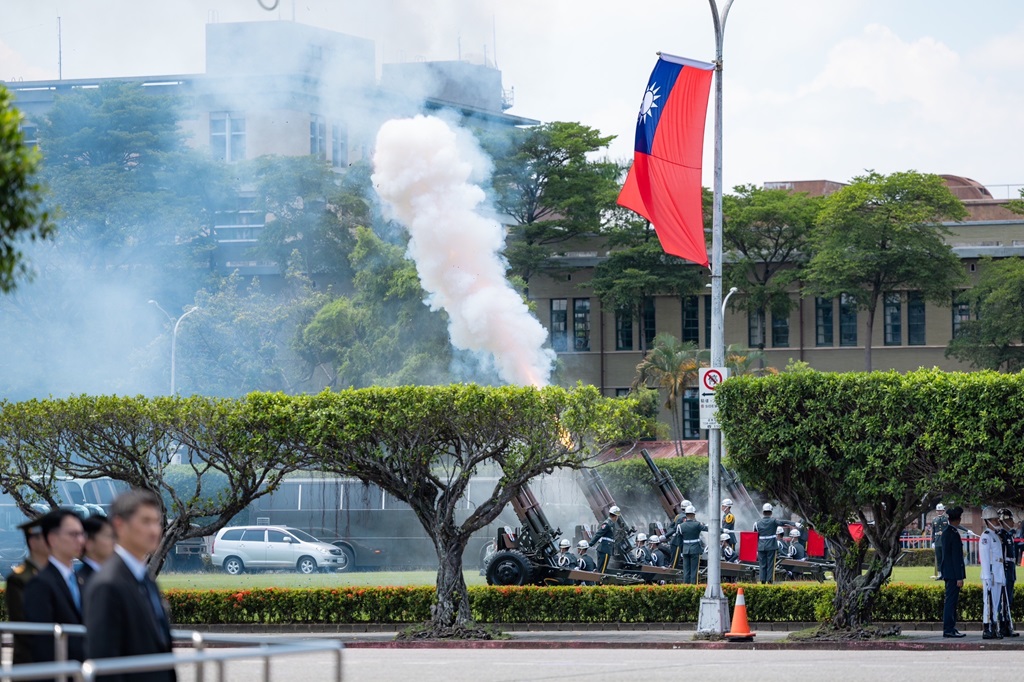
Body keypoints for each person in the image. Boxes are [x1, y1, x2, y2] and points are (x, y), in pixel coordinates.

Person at [84, 489, 176, 682]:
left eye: (157, 522)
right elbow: (105, 664)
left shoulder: (144, 577)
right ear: (119, 524)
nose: (154, 530)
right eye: (145, 522)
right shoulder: (107, 584)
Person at [24, 509, 87, 667]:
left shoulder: (80, 580)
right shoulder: (40, 584)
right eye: (73, 535)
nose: (80, 540)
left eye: (81, 534)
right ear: (52, 539)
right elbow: (42, 644)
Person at [5, 517, 49, 664]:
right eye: (47, 537)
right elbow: (23, 627)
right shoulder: (19, 579)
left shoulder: (54, 574)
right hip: (31, 661)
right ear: (33, 542)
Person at [979, 506, 1006, 640]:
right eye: (995, 520)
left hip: (998, 574)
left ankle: (995, 627)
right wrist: (988, 576)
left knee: (996, 603)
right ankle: (987, 628)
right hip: (990, 575)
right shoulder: (986, 536)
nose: (997, 522)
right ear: (988, 521)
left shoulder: (995, 535)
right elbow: (985, 558)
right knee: (988, 603)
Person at [941, 506, 967, 638]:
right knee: (950, 602)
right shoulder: (951, 533)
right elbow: (955, 558)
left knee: (952, 601)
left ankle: (951, 626)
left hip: (950, 572)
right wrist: (959, 577)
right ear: (957, 520)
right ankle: (948, 628)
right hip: (952, 574)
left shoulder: (949, 532)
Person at [997, 508, 1019, 637]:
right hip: (1005, 570)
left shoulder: (1009, 535)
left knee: (1008, 600)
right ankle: (1003, 626)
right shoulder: (1002, 536)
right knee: (1003, 600)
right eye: (1010, 520)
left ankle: (1007, 625)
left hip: (1010, 570)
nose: (1012, 523)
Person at [78, 515, 115, 587]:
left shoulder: (114, 576)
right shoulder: (82, 581)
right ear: (89, 542)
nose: (113, 542)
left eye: (114, 537)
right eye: (108, 536)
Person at [676, 505, 707, 584]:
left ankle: (686, 587)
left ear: (686, 514)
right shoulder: (697, 524)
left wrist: (682, 552)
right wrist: (723, 530)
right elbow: (708, 529)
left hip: (685, 550)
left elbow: (679, 541)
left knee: (686, 570)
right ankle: (693, 587)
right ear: (693, 515)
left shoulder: (680, 526)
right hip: (695, 549)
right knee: (694, 570)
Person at [754, 503, 780, 584]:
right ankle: (769, 580)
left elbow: (755, 535)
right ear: (771, 512)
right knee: (770, 564)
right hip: (771, 545)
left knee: (762, 564)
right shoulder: (773, 521)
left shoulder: (757, 523)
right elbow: (783, 522)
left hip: (761, 546)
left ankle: (762, 580)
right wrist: (795, 524)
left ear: (763, 512)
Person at [590, 505, 620, 573]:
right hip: (605, 549)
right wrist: (590, 544)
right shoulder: (607, 524)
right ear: (615, 516)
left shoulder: (611, 524)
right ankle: (600, 583)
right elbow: (598, 534)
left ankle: (599, 582)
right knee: (602, 570)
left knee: (601, 569)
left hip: (606, 548)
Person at [931, 503, 949, 580]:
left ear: (943, 511)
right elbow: (933, 531)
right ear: (936, 511)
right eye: (938, 511)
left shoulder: (946, 519)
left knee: (945, 558)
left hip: (944, 540)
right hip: (937, 540)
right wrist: (933, 542)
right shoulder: (934, 520)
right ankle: (939, 574)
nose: (939, 512)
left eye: (941, 510)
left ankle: (946, 573)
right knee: (939, 558)